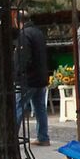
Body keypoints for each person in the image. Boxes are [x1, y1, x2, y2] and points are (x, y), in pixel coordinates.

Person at [14, 12, 50, 145]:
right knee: (40, 108)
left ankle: (12, 137)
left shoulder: (24, 34)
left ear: (17, 21)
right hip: (40, 76)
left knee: (18, 106)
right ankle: (43, 137)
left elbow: (24, 58)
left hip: (28, 78)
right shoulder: (38, 32)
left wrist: (18, 73)